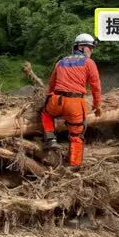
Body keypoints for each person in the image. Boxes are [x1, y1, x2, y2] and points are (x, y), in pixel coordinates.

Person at [41, 33, 102, 172]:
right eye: (90, 48)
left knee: (46, 113)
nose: (91, 51)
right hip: (74, 103)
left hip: (56, 100)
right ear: (81, 47)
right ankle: (74, 165)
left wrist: (49, 98)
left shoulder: (61, 61)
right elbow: (96, 86)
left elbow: (51, 84)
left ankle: (50, 138)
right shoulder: (89, 63)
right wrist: (98, 105)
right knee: (76, 135)